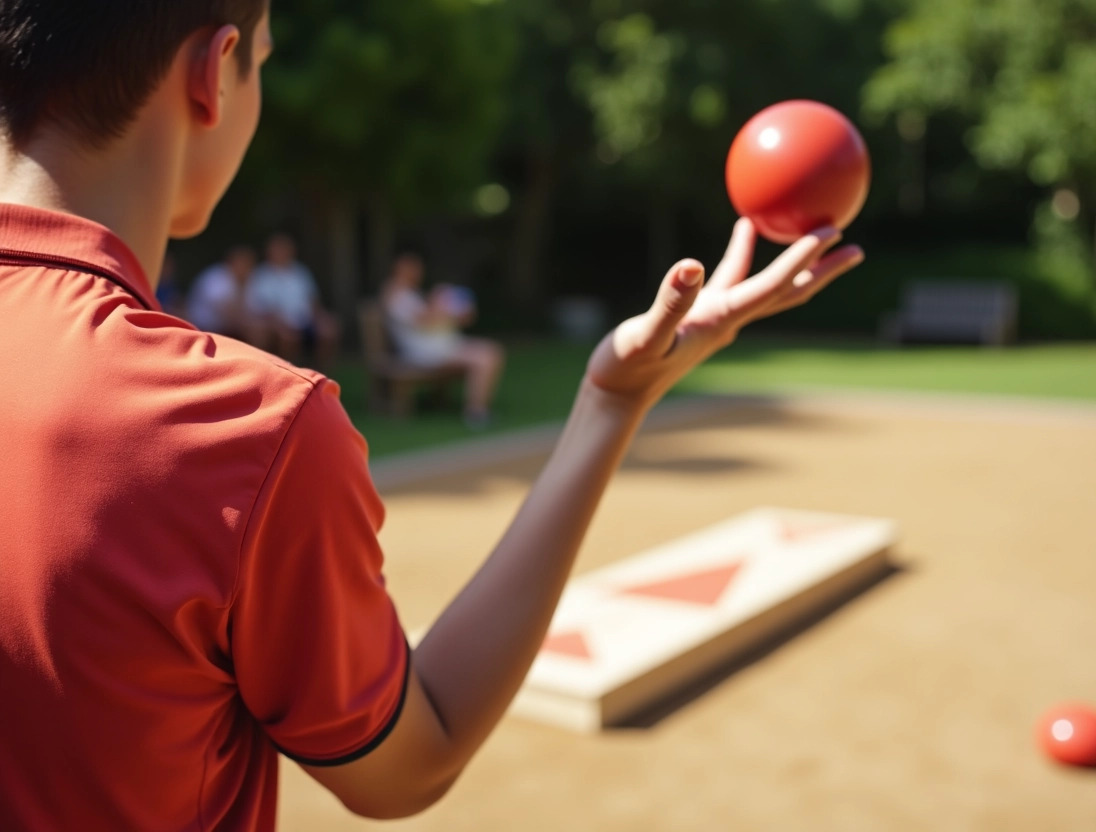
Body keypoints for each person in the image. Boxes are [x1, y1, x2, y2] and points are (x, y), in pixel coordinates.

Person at [0, 3, 864, 831]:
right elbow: (412, 760)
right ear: (215, 70)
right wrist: (612, 402)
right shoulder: (238, 432)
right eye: (260, 64)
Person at [381, 253, 505, 428]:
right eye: (413, 267)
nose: (418, 271)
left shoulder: (409, 293)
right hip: (424, 352)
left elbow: (430, 318)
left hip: (438, 346)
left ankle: (477, 410)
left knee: (490, 351)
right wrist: (440, 303)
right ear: (399, 268)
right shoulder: (395, 294)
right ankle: (476, 413)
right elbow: (422, 320)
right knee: (485, 358)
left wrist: (452, 310)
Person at [245, 232, 340, 368]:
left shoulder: (301, 272)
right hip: (277, 324)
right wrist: (281, 324)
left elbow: (313, 301)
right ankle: (290, 376)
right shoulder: (261, 275)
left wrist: (321, 318)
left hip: (306, 321)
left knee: (329, 330)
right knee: (288, 336)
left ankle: (323, 376)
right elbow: (263, 308)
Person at [186, 244, 258, 338]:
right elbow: (226, 313)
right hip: (203, 328)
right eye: (244, 263)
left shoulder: (247, 280)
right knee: (255, 331)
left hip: (226, 329)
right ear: (233, 262)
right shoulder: (216, 277)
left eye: (249, 264)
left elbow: (252, 309)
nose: (247, 268)